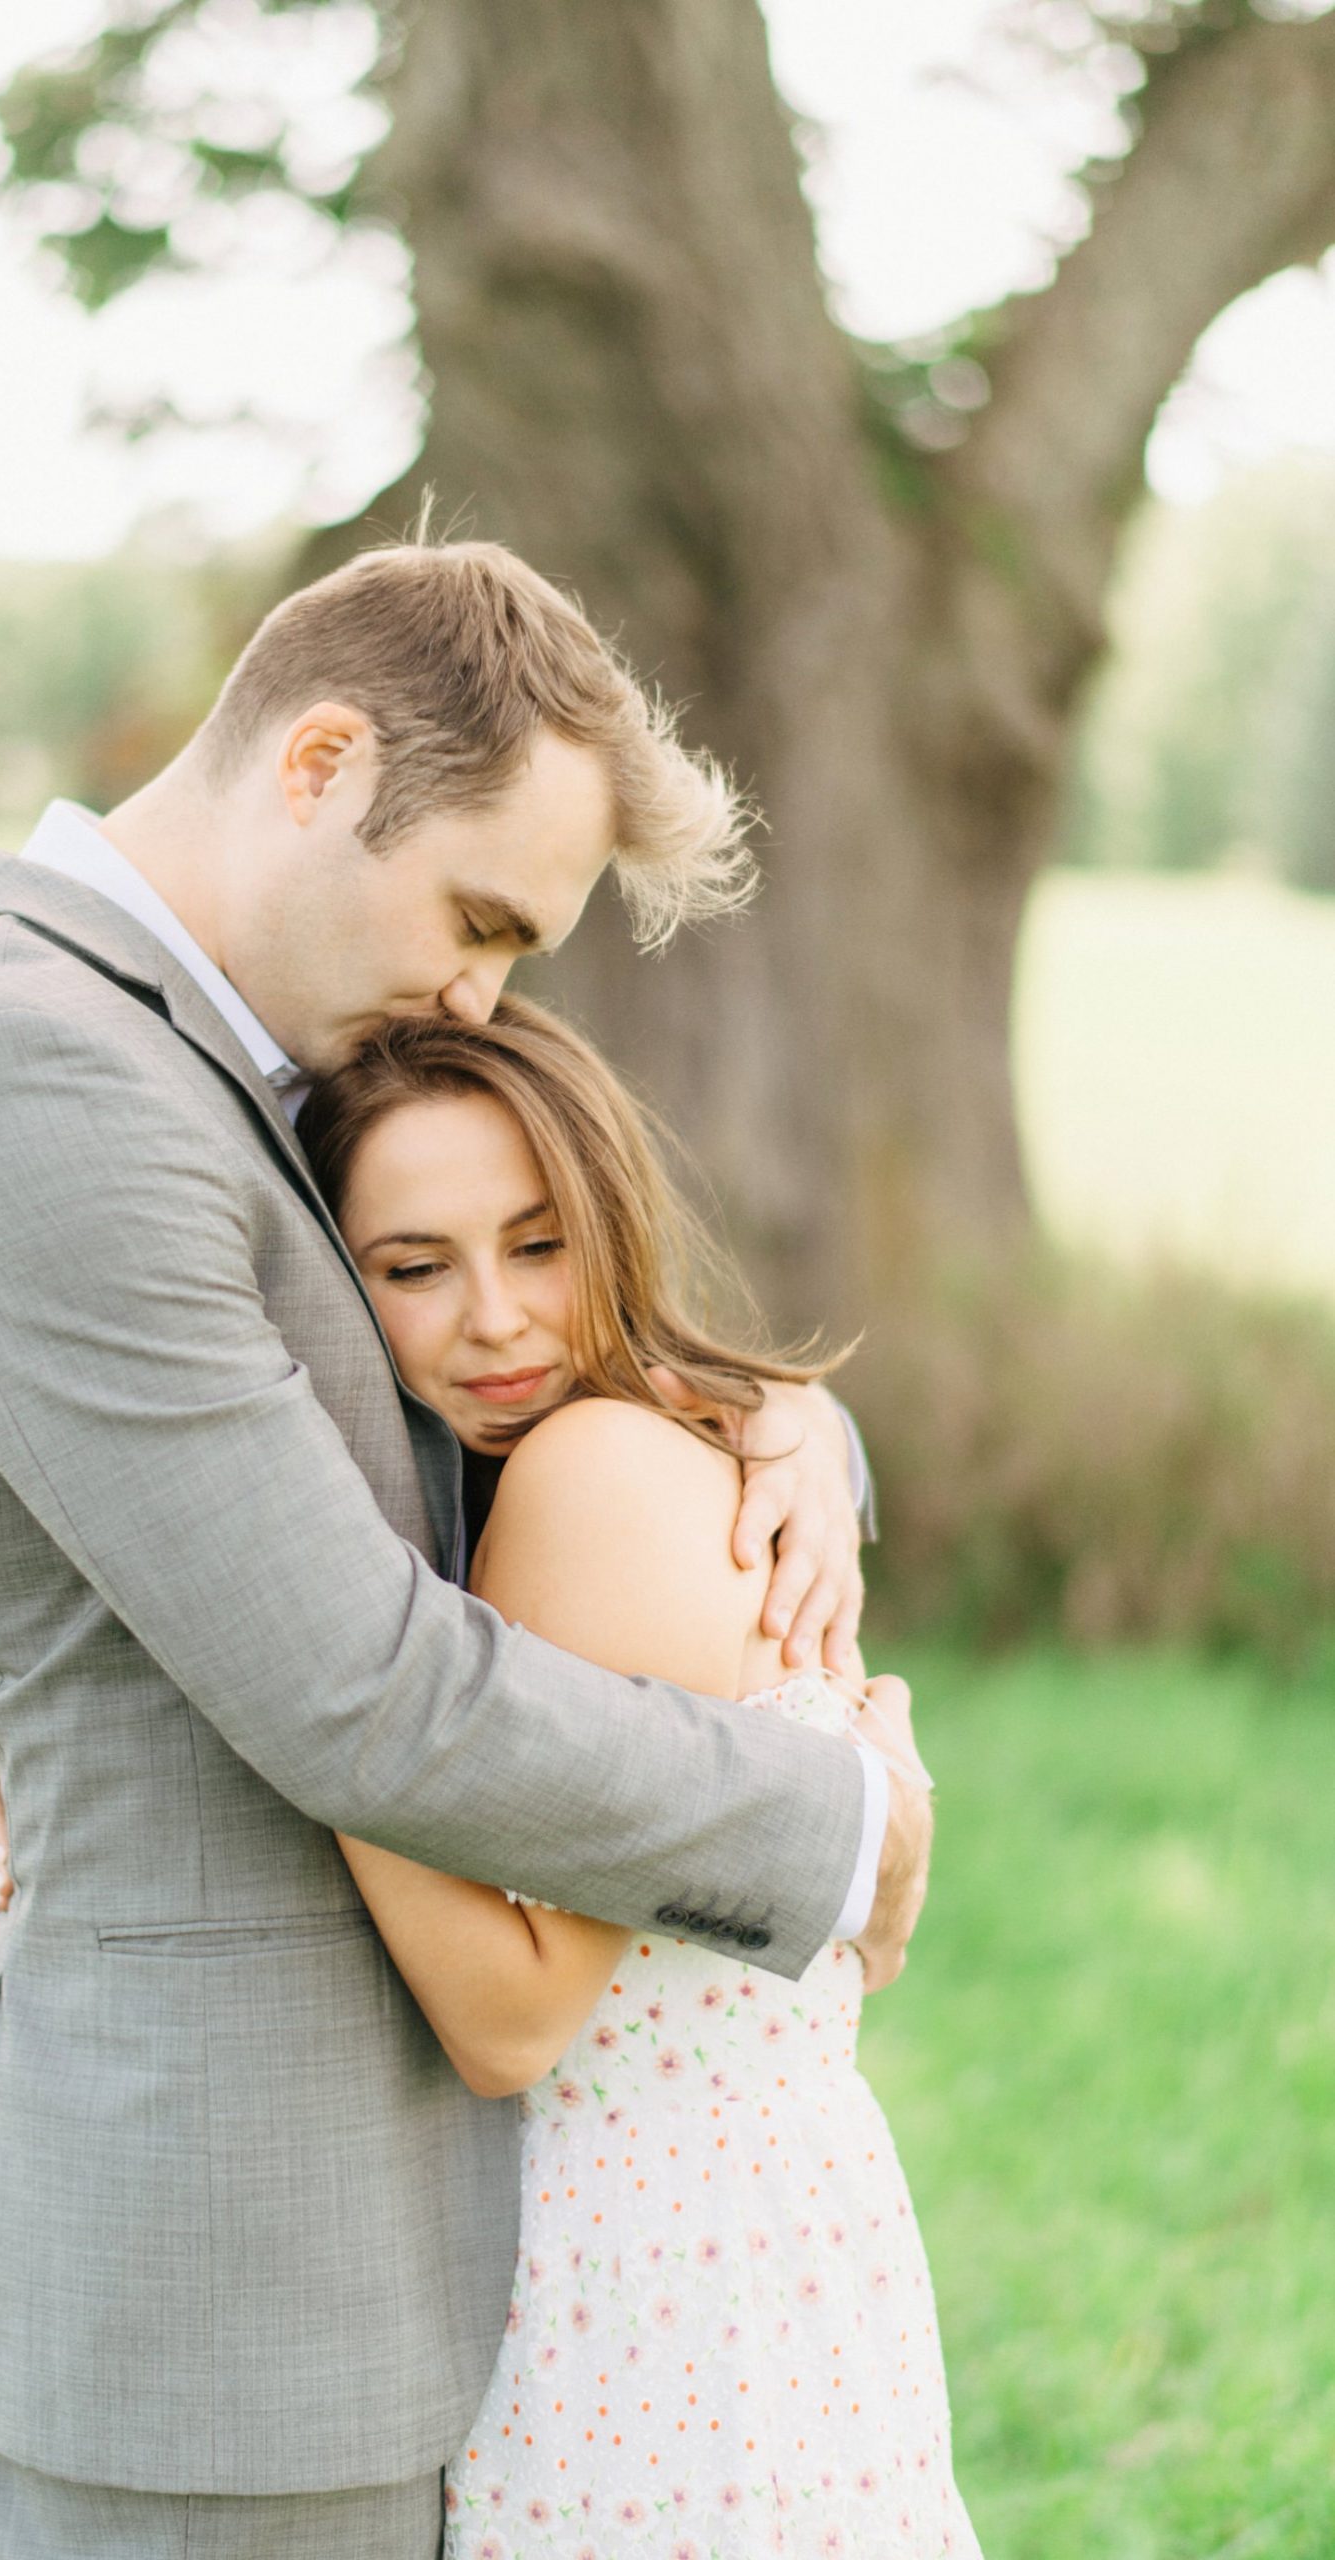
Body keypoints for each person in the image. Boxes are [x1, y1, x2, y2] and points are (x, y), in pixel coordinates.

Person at [0, 534, 930, 2560]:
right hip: (221, 2273)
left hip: (375, 2264)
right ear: (320, 762)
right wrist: (827, 1812)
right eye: (481, 916)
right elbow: (343, 1678)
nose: (478, 993)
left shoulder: (223, 1064)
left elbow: (445, 1431)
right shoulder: (41, 1075)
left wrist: (770, 1414)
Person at [296, 997, 975, 2557]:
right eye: (413, 1268)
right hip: (756, 2254)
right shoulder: (634, 1450)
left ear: (611, 1216)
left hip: (654, 2285)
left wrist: (275, 1675)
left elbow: (516, 2013)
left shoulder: (590, 1478)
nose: (496, 1322)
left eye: (539, 1246)